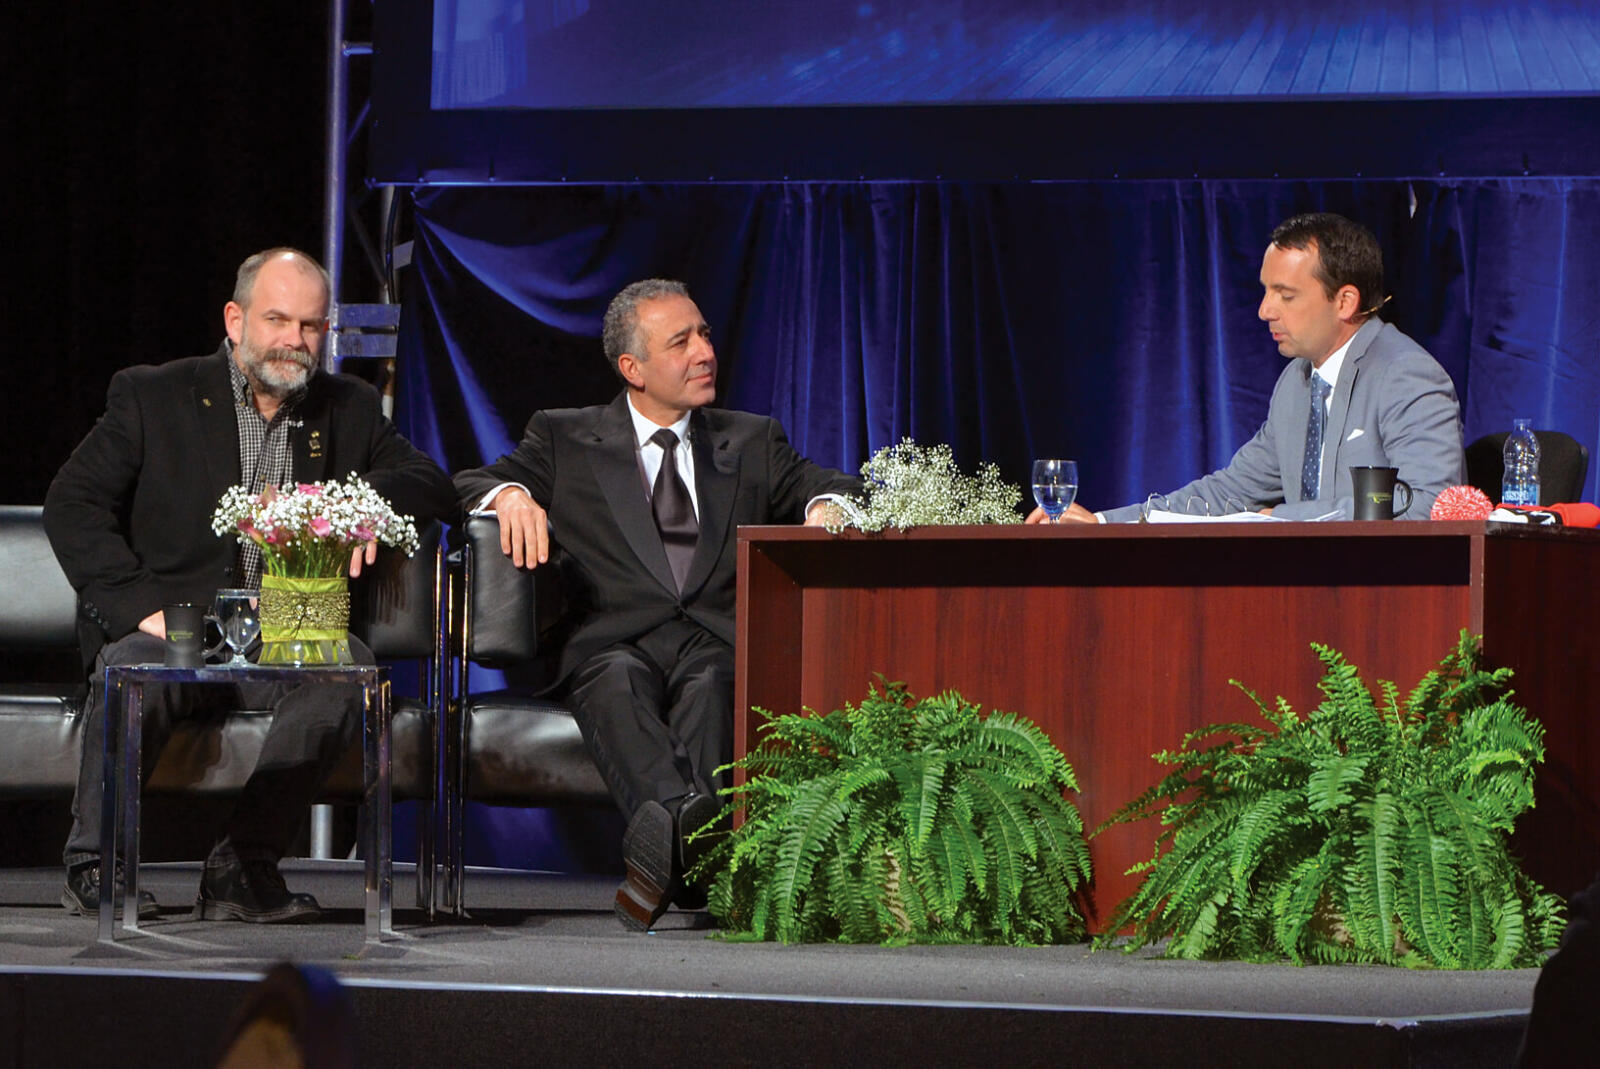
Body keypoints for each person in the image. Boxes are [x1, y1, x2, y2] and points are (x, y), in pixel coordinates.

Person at [44, 248, 455, 923]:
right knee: (129, 668)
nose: (295, 340)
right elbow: (72, 504)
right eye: (277, 319)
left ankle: (242, 864)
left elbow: (429, 482)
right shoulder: (154, 394)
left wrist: (355, 504)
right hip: (175, 628)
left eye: (312, 325)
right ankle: (96, 863)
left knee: (345, 668)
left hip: (287, 634)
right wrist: (140, 605)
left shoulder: (345, 406)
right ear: (235, 320)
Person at [455, 278, 858, 931]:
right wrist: (509, 496)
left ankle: (666, 851)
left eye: (704, 334)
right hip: (612, 644)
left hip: (713, 645)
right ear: (632, 368)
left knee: (714, 682)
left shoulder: (751, 440)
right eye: (682, 341)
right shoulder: (565, 437)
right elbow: (470, 479)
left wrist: (826, 507)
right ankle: (694, 839)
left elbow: (826, 483)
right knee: (615, 678)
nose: (705, 351)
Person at [1028, 213, 1465, 524]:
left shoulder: (1406, 375)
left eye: (1285, 295)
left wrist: (1284, 518)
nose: (1264, 311)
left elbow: (1432, 504)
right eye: (1265, 291)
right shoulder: (1296, 384)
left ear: (1345, 301)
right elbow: (1228, 493)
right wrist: (1104, 523)